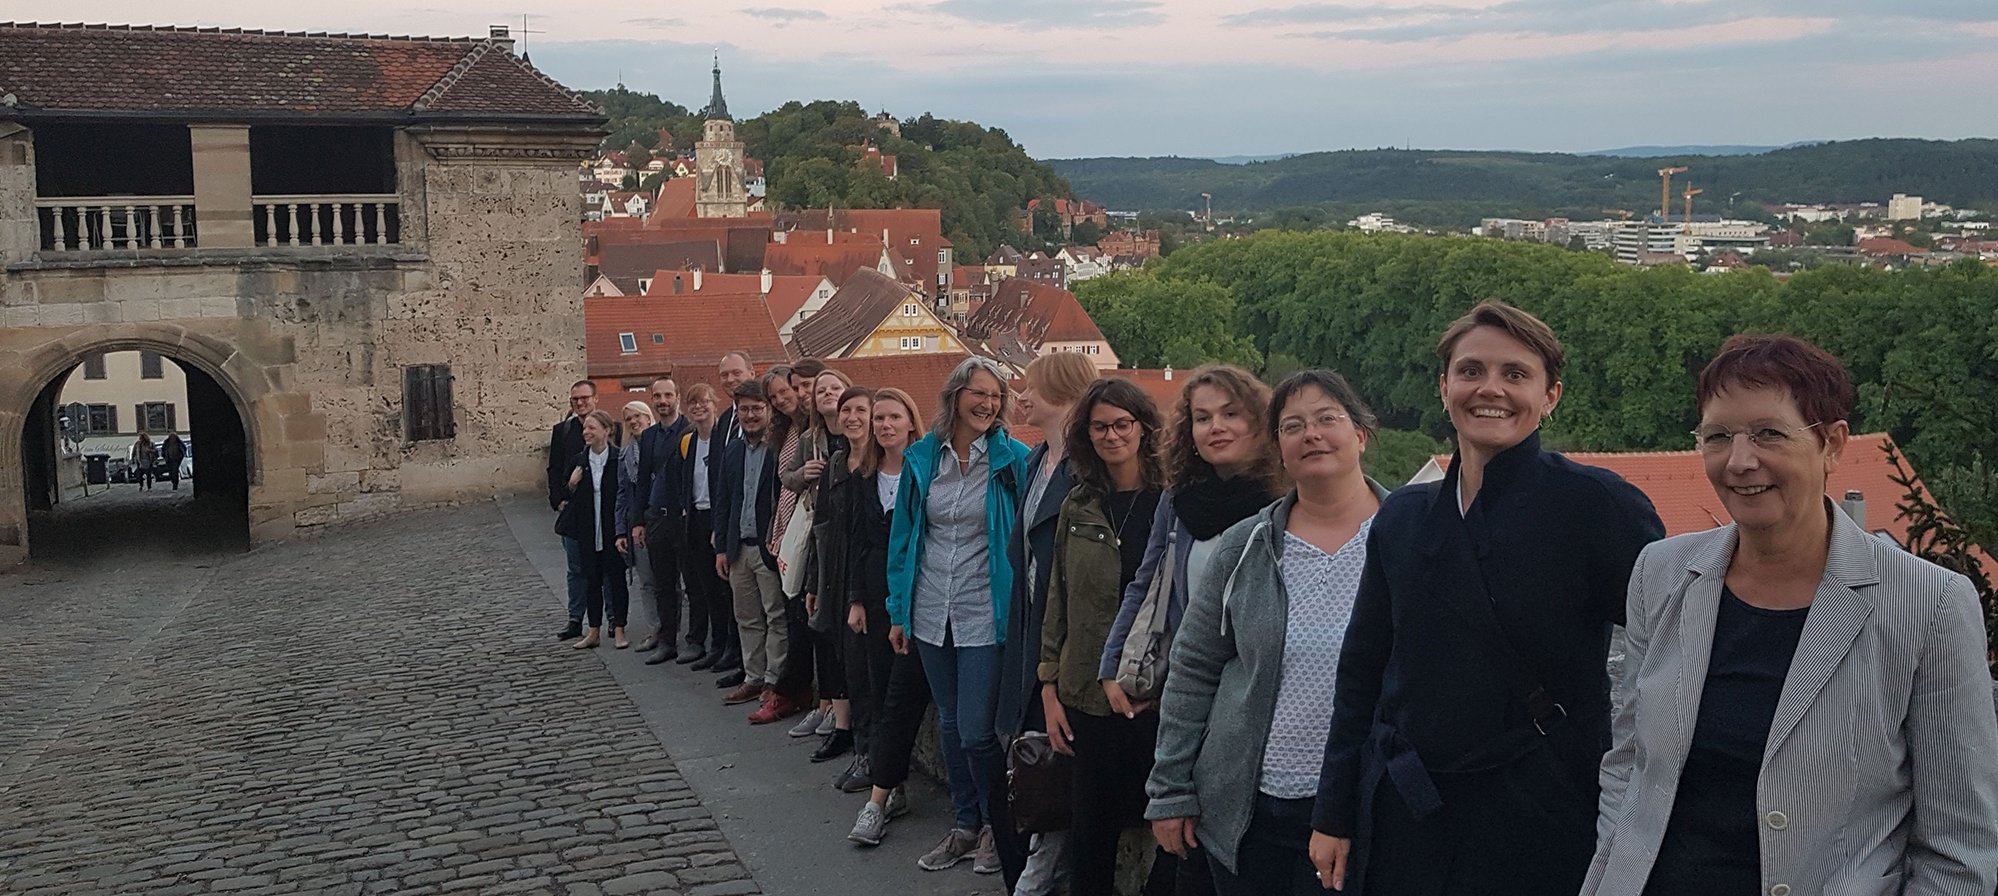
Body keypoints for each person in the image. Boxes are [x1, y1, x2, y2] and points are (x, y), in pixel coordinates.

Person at [1583, 334, 1998, 896]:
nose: (1740, 460)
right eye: (1718, 436)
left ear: (1831, 444)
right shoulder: (1662, 573)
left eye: (1769, 434)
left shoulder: (1929, 604)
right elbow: (1630, 760)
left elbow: (1958, 848)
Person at [1309, 301, 1664, 896]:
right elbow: (1363, 671)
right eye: (1471, 371)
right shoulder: (1403, 517)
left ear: (1551, 396)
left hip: (1539, 812)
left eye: (1515, 374)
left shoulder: (1597, 509)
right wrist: (1334, 809)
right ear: (1444, 386)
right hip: (1408, 808)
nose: (1490, 389)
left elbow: (1673, 653)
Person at [1149, 370, 1388, 896]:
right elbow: (1193, 669)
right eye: (1293, 425)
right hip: (1250, 806)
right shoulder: (1246, 545)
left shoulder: (1406, 538)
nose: (1313, 434)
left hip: (1366, 803)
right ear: (1278, 446)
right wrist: (1169, 790)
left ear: (1361, 434)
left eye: (1329, 419)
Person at [1113, 365, 1286, 896]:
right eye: (1203, 417)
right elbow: (1147, 581)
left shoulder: (1289, 501)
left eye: (1232, 414)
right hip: (1187, 694)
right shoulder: (1180, 498)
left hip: (1260, 705)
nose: (1217, 427)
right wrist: (1114, 664)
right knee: (1187, 847)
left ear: (1260, 422)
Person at [887, 356, 1029, 874]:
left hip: (984, 611)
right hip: (929, 610)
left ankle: (998, 825)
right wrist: (898, 611)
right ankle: (966, 823)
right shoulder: (923, 457)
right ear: (955, 396)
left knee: (976, 730)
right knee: (949, 722)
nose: (988, 404)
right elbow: (903, 539)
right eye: (979, 393)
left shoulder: (1014, 460)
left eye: (996, 396)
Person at [1039, 378, 1169, 895]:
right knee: (1091, 834)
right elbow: (1058, 599)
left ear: (1142, 428)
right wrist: (1049, 686)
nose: (1112, 436)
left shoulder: (1172, 502)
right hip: (1087, 693)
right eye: (1100, 427)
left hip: (1155, 696)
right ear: (1086, 436)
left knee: (1171, 830)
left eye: (1122, 424)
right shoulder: (1079, 504)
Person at [995, 352, 1098, 892]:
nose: (1021, 396)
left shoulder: (1088, 468)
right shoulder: (1037, 461)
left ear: (1057, 391)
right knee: (1031, 767)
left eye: (1029, 387)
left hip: (1063, 642)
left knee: (1052, 772)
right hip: (1028, 629)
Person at [845, 388, 929, 846]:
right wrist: (856, 599)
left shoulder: (925, 470)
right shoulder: (866, 475)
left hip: (918, 596)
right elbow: (857, 540)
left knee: (901, 695)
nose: (884, 425)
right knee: (881, 690)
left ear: (911, 422)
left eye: (893, 417)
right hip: (877, 599)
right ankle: (890, 787)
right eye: (879, 418)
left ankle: (879, 795)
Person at [780, 367, 856, 741]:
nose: (826, 393)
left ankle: (839, 710)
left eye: (834, 387)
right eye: (820, 389)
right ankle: (826, 705)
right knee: (819, 622)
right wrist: (806, 474)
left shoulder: (859, 430)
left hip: (851, 539)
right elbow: (786, 476)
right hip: (818, 534)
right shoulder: (809, 437)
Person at [714, 380, 790, 713]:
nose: (750, 415)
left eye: (757, 408)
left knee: (775, 616)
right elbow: (724, 499)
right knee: (746, 617)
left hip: (767, 547)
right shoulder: (732, 449)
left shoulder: (778, 448)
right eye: (744, 409)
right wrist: (720, 547)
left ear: (768, 411)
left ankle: (774, 680)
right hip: (738, 547)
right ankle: (753, 676)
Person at [674, 384, 739, 673]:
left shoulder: (721, 439)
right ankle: (715, 645)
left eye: (704, 402)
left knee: (723, 588)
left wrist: (719, 526)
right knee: (703, 587)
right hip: (695, 518)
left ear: (715, 404)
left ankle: (727, 647)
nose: (698, 408)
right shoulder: (688, 440)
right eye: (693, 403)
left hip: (716, 517)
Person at [556, 410, 629, 649]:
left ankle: (619, 629)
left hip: (612, 529)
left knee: (616, 579)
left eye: (592, 428)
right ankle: (593, 630)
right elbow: (565, 496)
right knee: (591, 580)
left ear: (607, 431)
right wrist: (572, 484)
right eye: (585, 428)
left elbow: (625, 493)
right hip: (587, 530)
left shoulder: (619, 459)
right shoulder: (579, 460)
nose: (586, 432)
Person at [630, 378, 689, 664]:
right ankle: (667, 641)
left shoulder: (689, 430)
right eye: (657, 396)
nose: (662, 400)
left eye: (668, 395)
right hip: (656, 519)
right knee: (663, 584)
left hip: (683, 518)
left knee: (693, 583)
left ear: (677, 397)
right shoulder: (649, 436)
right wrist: (637, 521)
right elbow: (642, 481)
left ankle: (696, 641)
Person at [550, 379, 598, 640]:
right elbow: (553, 468)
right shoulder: (563, 431)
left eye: (585, 398)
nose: (580, 403)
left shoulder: (610, 428)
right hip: (572, 510)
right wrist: (558, 499)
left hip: (600, 511)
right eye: (575, 400)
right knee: (575, 568)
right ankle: (575, 619)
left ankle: (610, 620)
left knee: (604, 568)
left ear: (595, 399)